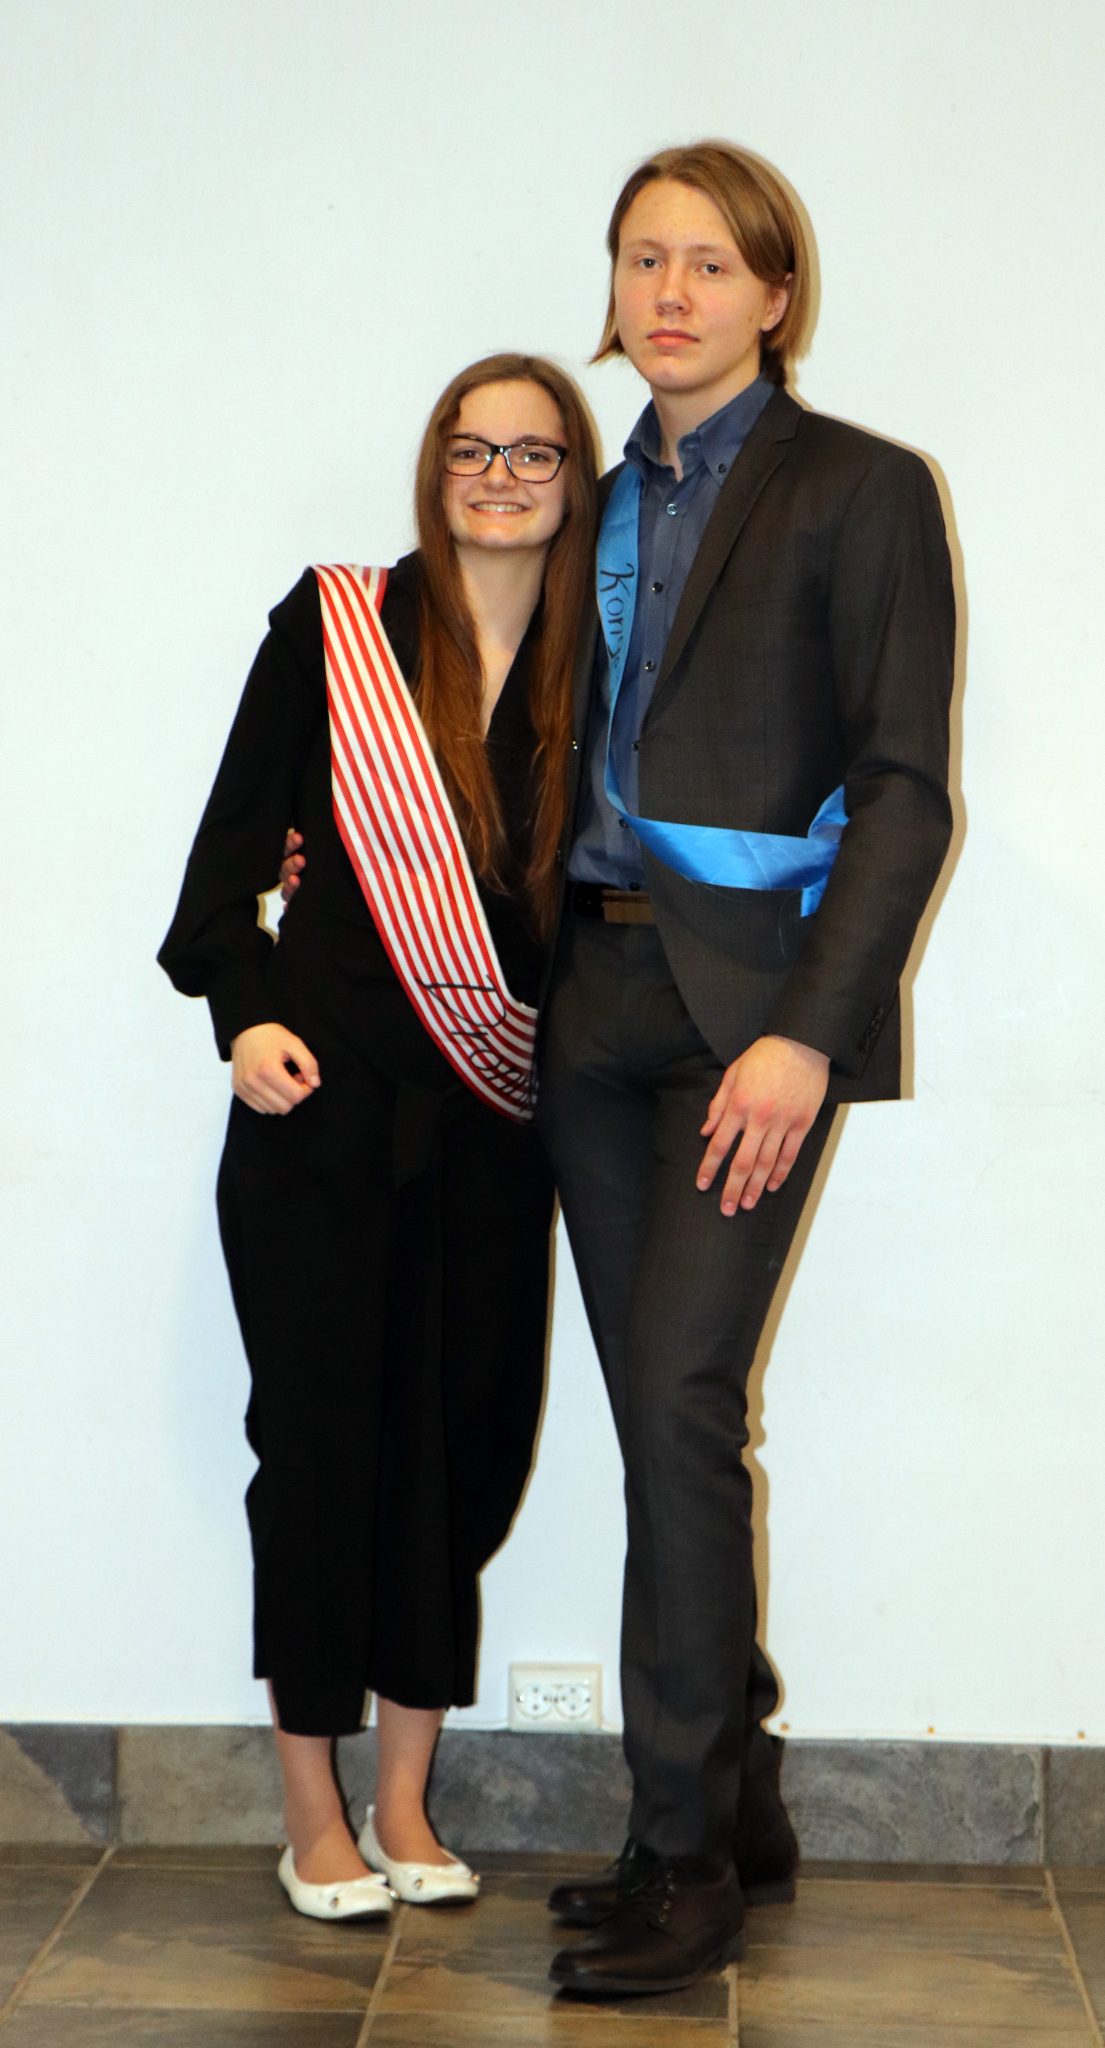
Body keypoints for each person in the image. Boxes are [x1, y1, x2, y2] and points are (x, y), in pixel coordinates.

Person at [531, 142, 956, 1996]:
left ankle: (681, 1854)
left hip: (745, 1020)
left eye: (709, 262)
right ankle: (745, 1791)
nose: (671, 292)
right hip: (584, 1004)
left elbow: (904, 791)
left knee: (682, 1398)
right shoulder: (586, 498)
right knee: (660, 1419)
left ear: (775, 295)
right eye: (644, 259)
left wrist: (802, 1031)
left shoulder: (860, 487)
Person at [158, 354, 598, 1924]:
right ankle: (312, 1815)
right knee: (321, 1454)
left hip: (497, 1128)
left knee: (463, 1455)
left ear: (574, 477)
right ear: (434, 467)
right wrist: (243, 1015)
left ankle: (406, 1801)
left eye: (532, 453)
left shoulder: (601, 659)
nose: (499, 477)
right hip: (322, 1114)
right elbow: (225, 865)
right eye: (472, 450)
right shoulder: (337, 625)